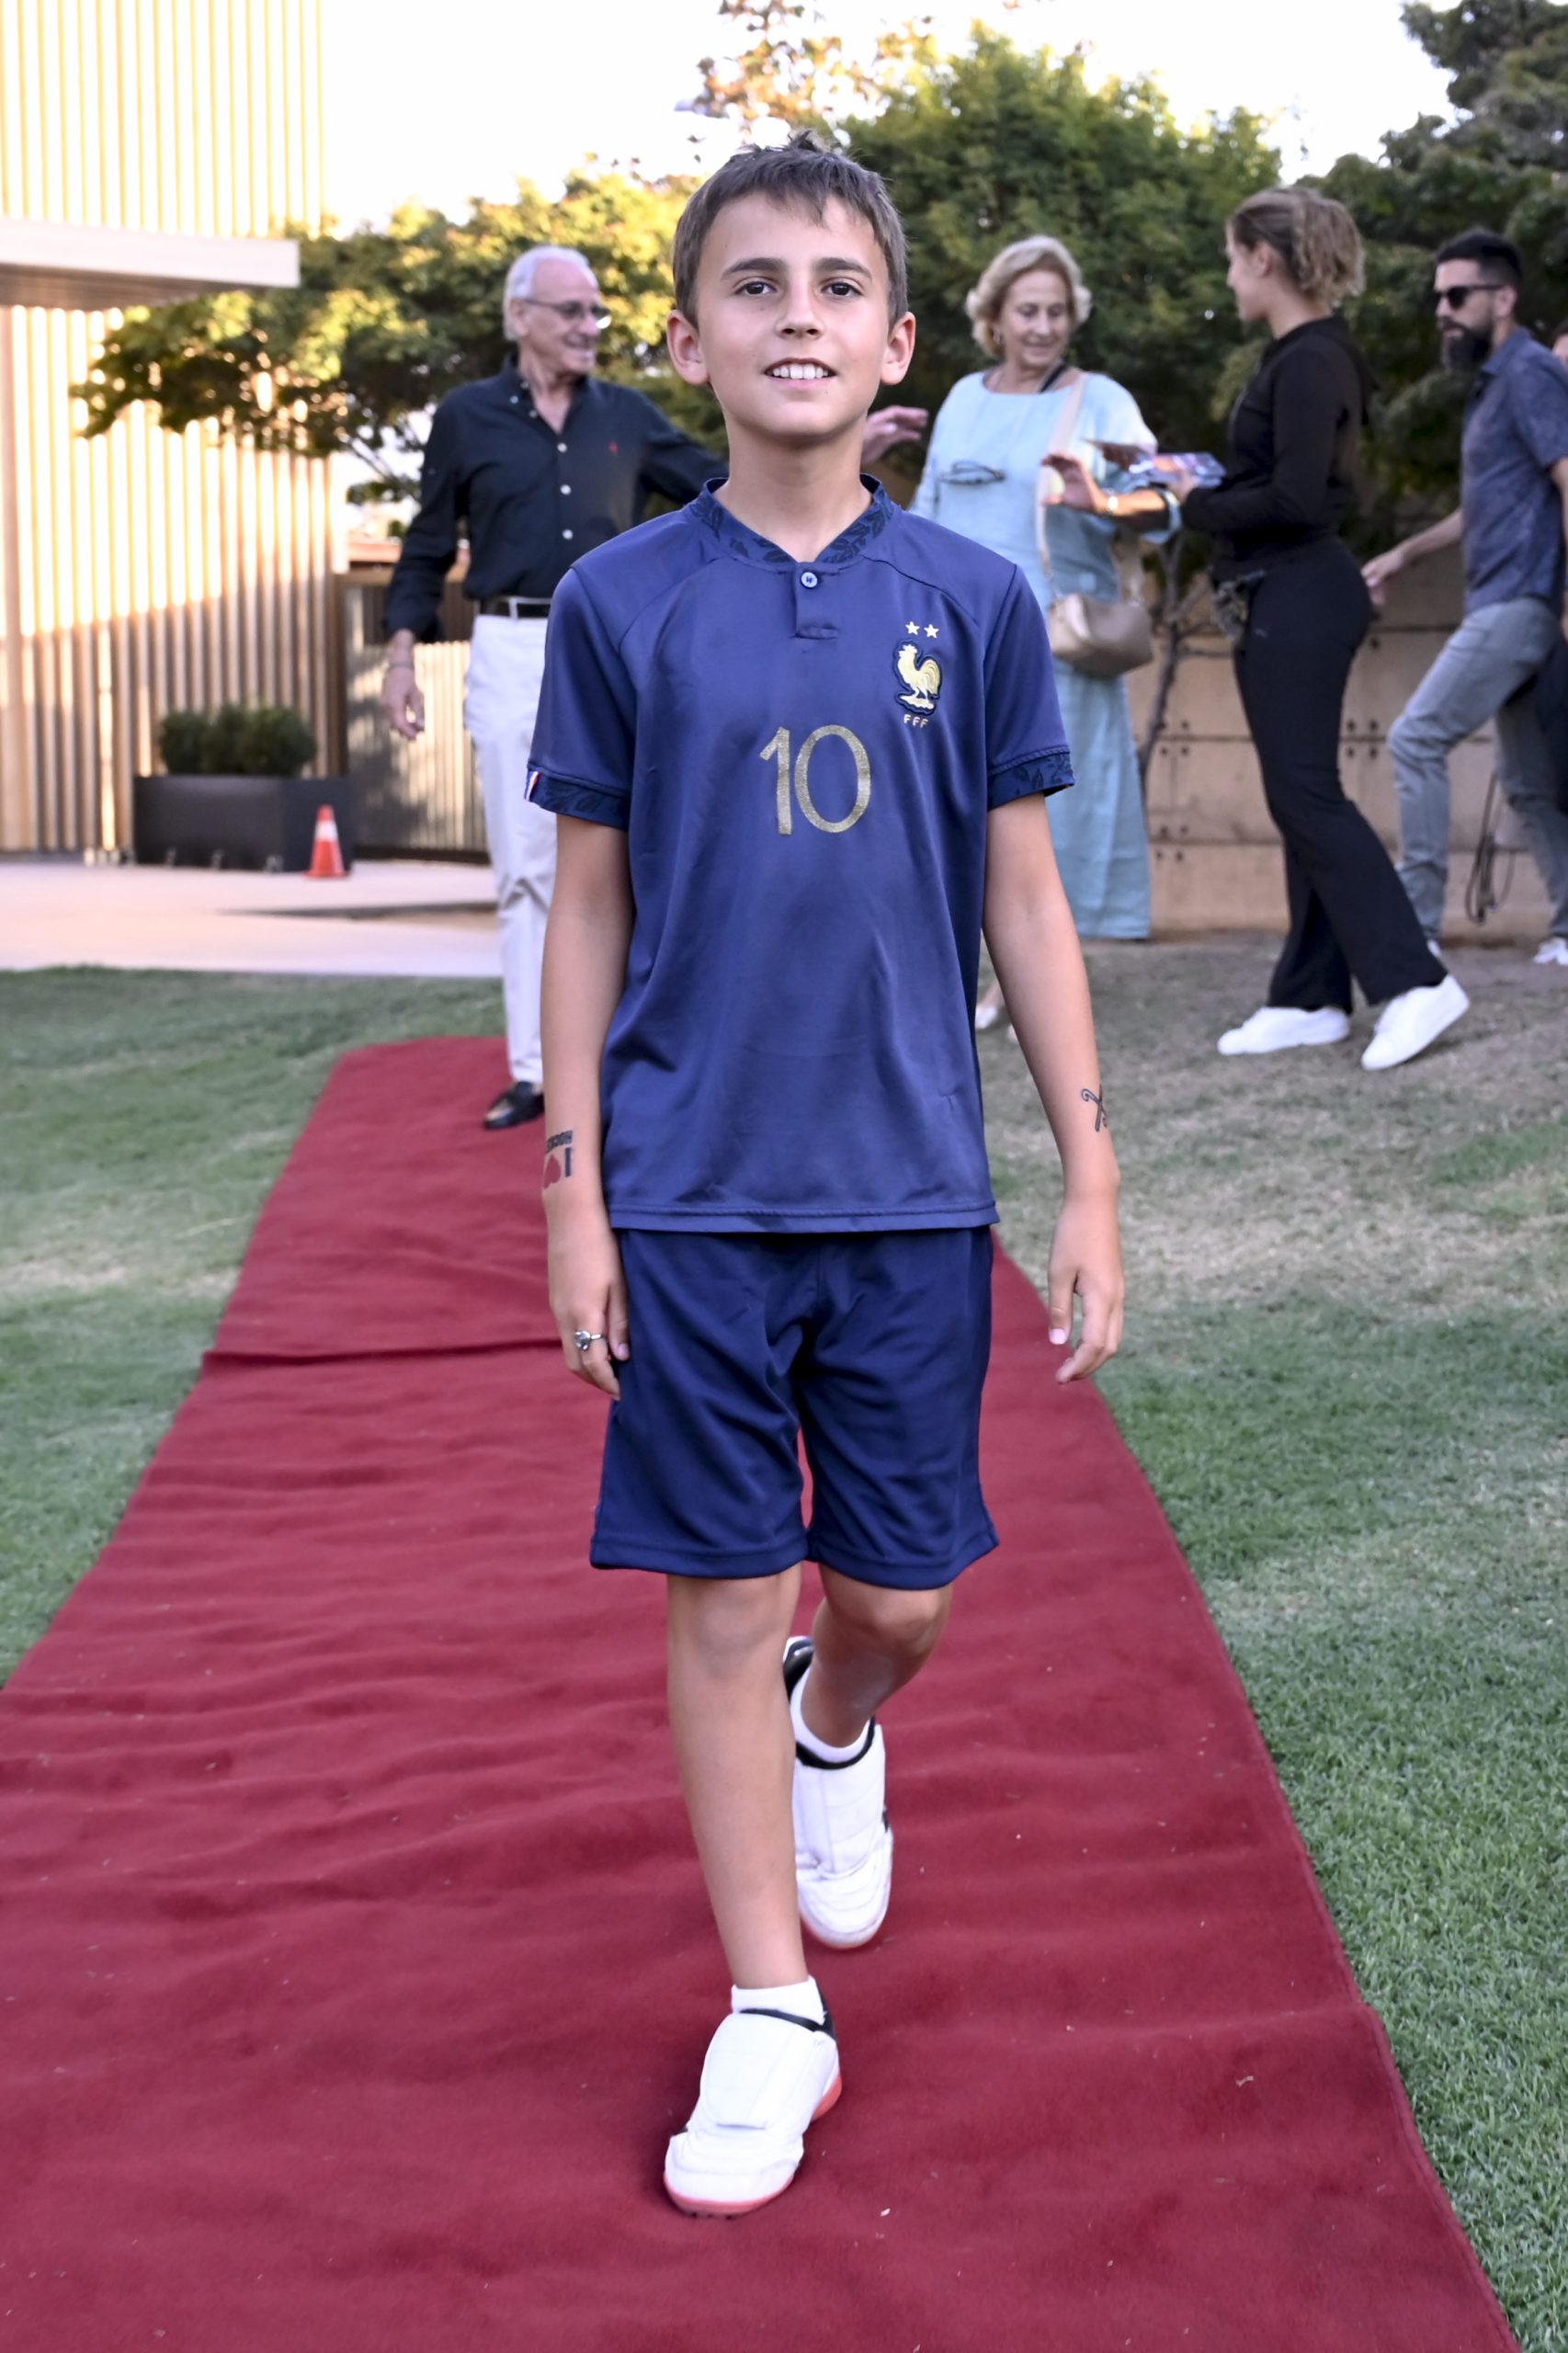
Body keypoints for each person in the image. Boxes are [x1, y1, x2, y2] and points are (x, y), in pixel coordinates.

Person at [527, 132, 1123, 2216]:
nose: (797, 313)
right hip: (688, 1188)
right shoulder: (620, 600)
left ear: (894, 345)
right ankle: (771, 2004)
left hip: (906, 1189)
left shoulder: (970, 599)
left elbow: (1026, 903)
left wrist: (1087, 1175)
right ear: (687, 340)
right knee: (720, 1587)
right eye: (754, 284)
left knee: (896, 1595)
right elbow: (584, 909)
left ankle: (839, 1719)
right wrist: (575, 1188)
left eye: (836, 285)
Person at [381, 247, 926, 1131]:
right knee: (526, 870)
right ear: (520, 317)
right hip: (514, 644)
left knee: (624, 863)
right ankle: (538, 1072)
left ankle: (619, 1054)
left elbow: (725, 481)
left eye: (594, 311)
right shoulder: (466, 417)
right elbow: (428, 541)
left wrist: (835, 440)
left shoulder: (627, 416)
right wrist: (402, 654)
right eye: (569, 311)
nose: (587, 327)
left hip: (624, 644)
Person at [1158, 188, 1465, 1069]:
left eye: (1232, 257)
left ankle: (1416, 982)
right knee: (1299, 795)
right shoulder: (1301, 356)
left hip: (1300, 592)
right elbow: (1284, 483)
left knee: (1305, 794)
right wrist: (1199, 487)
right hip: (1280, 593)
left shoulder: (1313, 359)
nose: (1229, 276)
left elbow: (1297, 499)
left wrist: (1196, 502)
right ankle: (1309, 996)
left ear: (1263, 257)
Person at [912, 234, 1169, 984]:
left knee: (1050, 810)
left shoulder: (1104, 401)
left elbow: (1165, 502)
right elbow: (927, 511)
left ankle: (1031, 977)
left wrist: (1104, 501)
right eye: (1028, 311)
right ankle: (965, 970)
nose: (1044, 327)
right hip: (954, 638)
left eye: (1057, 312)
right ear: (995, 317)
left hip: (1052, 641)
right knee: (952, 800)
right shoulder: (963, 398)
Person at [1364, 231, 1568, 972]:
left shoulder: (1530, 373)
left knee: (1415, 739)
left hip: (1520, 600)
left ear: (1503, 298)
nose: (1442, 311)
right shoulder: (1492, 387)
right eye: (1438, 299)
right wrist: (1405, 552)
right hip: (1502, 597)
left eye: (1457, 296)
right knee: (1527, 782)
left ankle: (1416, 929)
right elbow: (1481, 508)